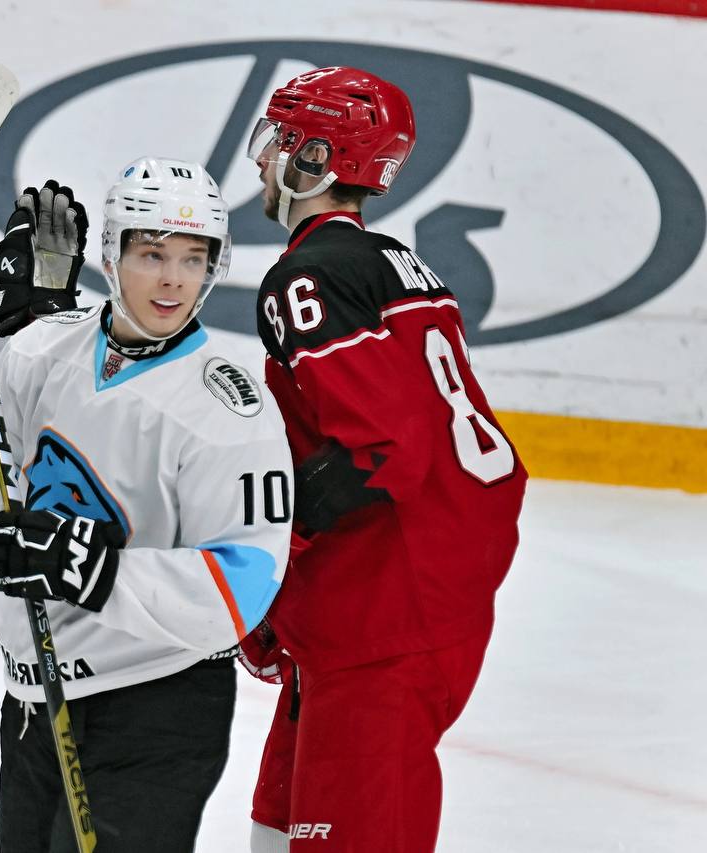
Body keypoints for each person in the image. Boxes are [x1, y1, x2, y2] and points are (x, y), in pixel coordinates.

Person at [0, 158, 293, 853]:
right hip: (33, 695)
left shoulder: (228, 408)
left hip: (155, 704)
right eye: (153, 255)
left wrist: (93, 568)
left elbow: (245, 584)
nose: (174, 279)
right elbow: (4, 506)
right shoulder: (40, 350)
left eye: (193, 258)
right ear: (111, 255)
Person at [241, 67, 528, 852]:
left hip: (385, 621)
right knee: (278, 827)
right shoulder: (403, 265)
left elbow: (380, 450)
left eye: (282, 140)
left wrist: (261, 561)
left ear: (318, 160)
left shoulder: (306, 277)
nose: (263, 158)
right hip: (384, 606)